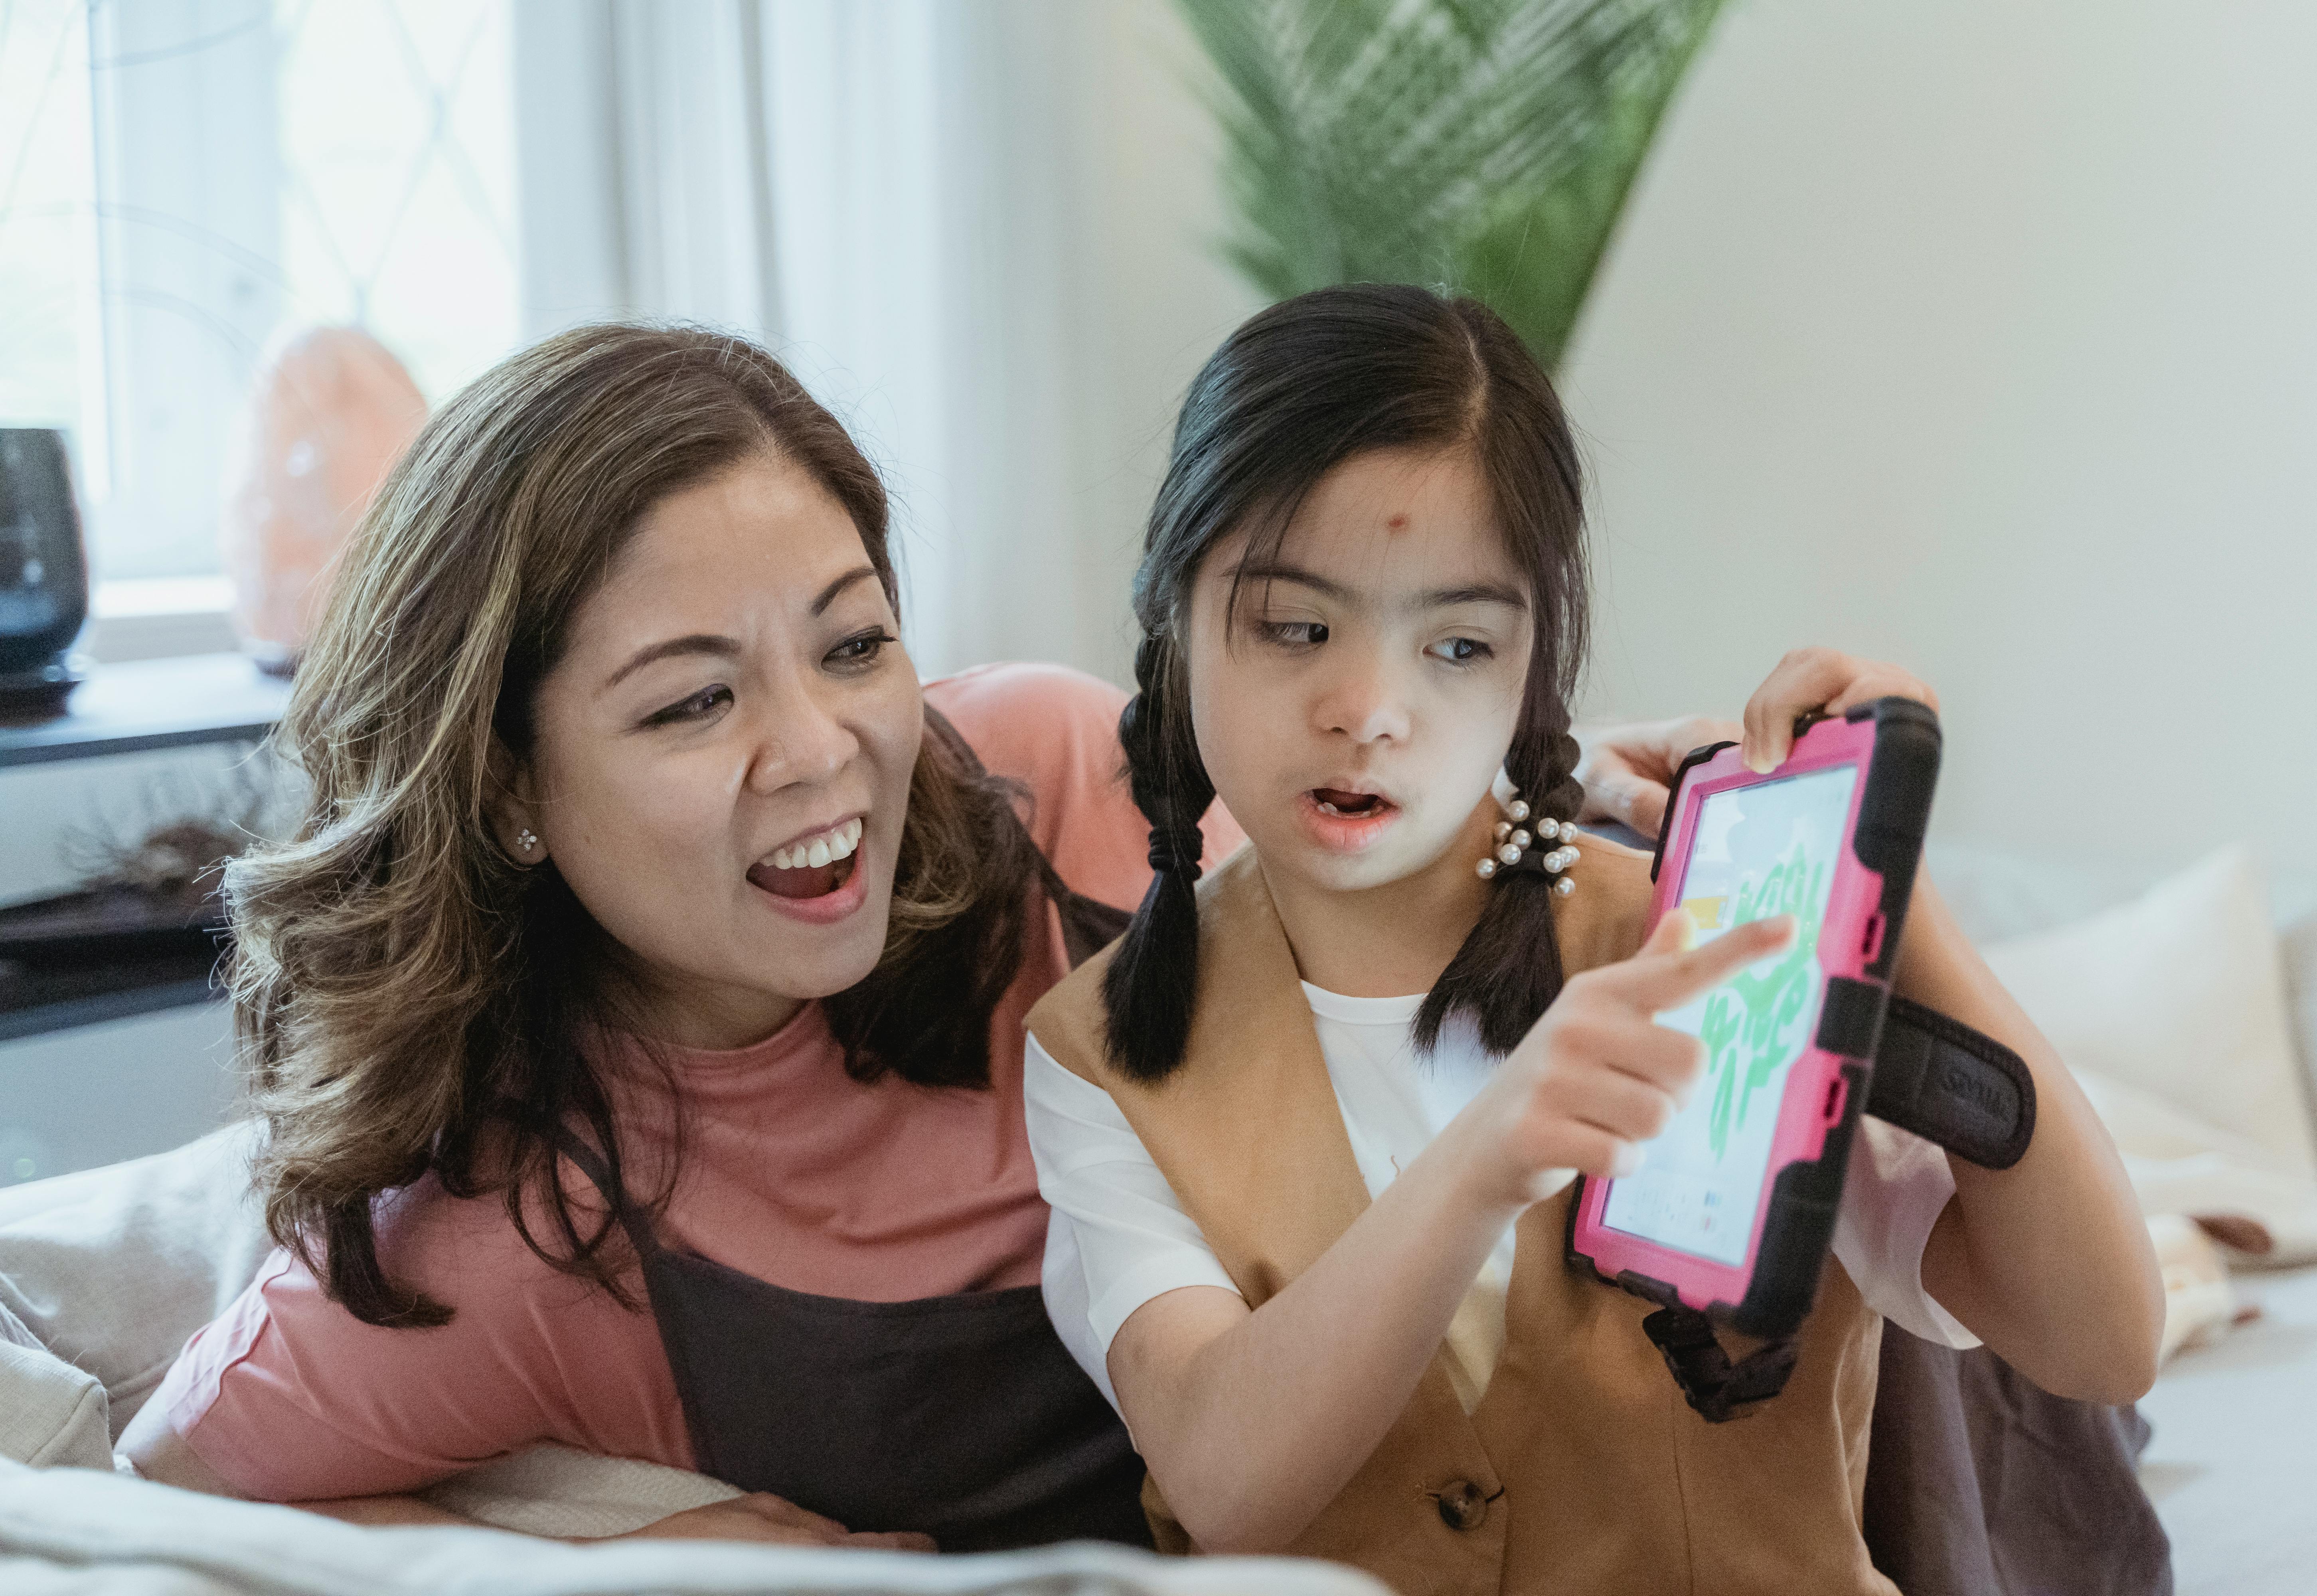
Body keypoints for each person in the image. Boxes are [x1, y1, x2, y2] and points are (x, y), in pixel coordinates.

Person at [1021, 284, 2165, 1592]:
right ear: (1172, 611)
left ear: (1532, 667)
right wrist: (1489, 1155)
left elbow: (2104, 1342)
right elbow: (1227, 1478)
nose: (1369, 710)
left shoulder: (1697, 945)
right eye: (1296, 627)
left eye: (1457, 644)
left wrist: (1876, 856)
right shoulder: (1096, 1055)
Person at [120, 323, 1252, 1550]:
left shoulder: (1070, 784)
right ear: (505, 786)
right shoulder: (505, 1232)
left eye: (853, 645)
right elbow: (167, 1483)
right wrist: (619, 1561)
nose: (825, 748)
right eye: (694, 701)